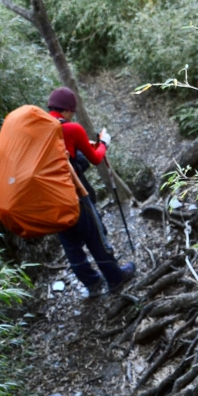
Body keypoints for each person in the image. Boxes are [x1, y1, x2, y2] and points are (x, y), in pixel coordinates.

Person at [47, 87, 134, 296]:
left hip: (51, 199)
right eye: (73, 112)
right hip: (75, 195)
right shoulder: (71, 128)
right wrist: (104, 143)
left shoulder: (39, 130)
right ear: (68, 110)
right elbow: (96, 159)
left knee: (71, 246)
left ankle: (92, 285)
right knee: (96, 236)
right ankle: (115, 278)